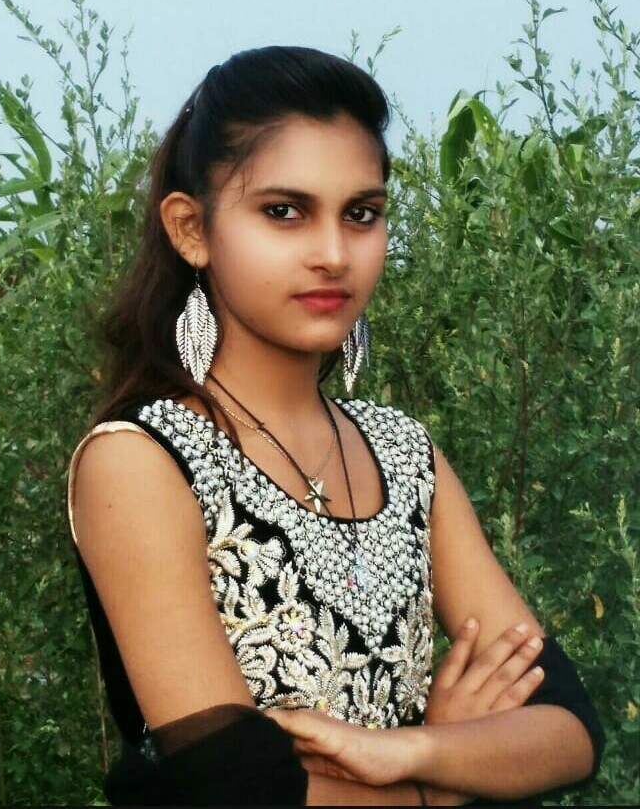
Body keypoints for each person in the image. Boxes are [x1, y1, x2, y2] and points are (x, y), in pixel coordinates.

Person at [66, 46, 604, 806]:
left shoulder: (404, 453)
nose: (332, 254)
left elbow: (570, 729)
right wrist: (445, 783)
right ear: (191, 230)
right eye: (284, 212)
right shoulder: (144, 460)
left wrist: (408, 749)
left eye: (362, 214)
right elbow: (235, 787)